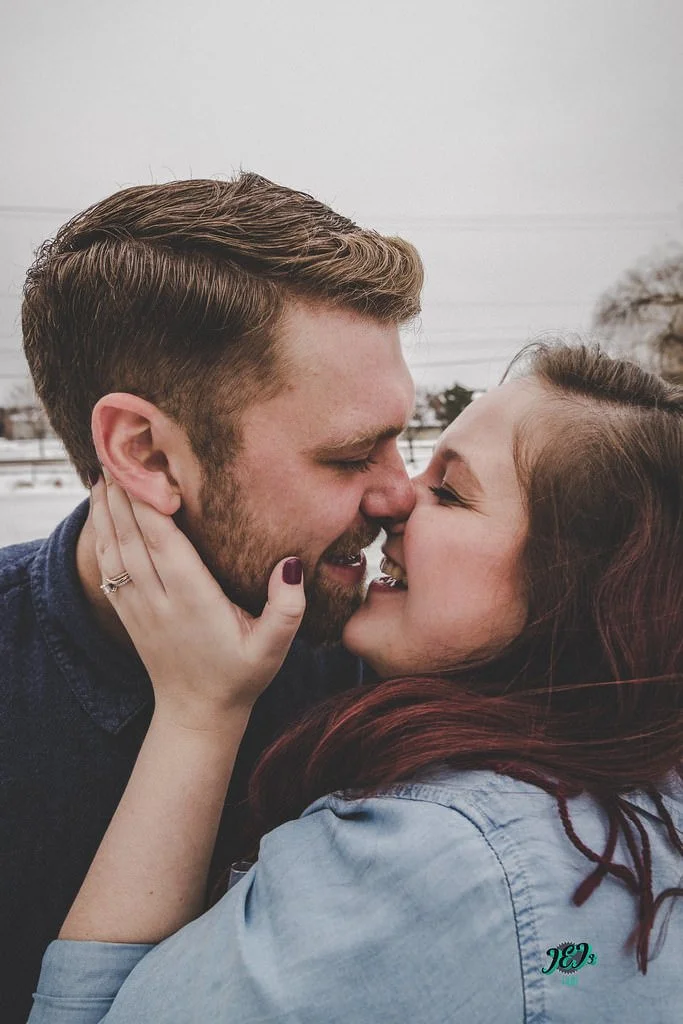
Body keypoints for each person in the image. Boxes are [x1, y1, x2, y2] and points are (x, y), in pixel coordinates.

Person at [28, 342, 683, 1023]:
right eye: (352, 455)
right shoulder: (638, 779)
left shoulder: (439, 860)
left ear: (584, 589)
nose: (397, 498)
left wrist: (198, 712)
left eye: (449, 492)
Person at [0, 173, 423, 1022]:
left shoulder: (389, 657)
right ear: (148, 453)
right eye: (348, 456)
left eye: (400, 440)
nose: (398, 496)